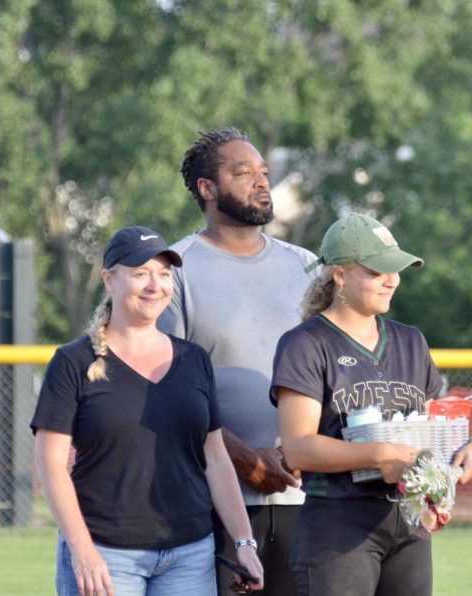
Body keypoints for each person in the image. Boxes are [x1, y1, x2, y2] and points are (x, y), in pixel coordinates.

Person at [32, 226, 263, 596]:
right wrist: (82, 549)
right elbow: (50, 464)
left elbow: (215, 458)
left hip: (189, 554)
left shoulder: (194, 360)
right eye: (140, 273)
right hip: (106, 554)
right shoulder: (73, 361)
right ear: (110, 280)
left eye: (164, 273)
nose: (155, 285)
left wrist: (244, 543)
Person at [270, 213, 472, 596]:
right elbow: (298, 447)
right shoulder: (305, 344)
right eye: (377, 271)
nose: (393, 280)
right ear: (339, 274)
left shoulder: (411, 341)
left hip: (409, 523)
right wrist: (381, 454)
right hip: (337, 525)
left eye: (396, 269)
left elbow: (435, 425)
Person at [158, 127, 316, 595]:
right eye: (243, 173)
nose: (261, 182)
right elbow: (167, 393)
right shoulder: (173, 270)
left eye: (264, 172)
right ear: (208, 189)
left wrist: (312, 446)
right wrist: (244, 459)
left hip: (307, 500)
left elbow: (334, 371)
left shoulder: (308, 266)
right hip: (214, 502)